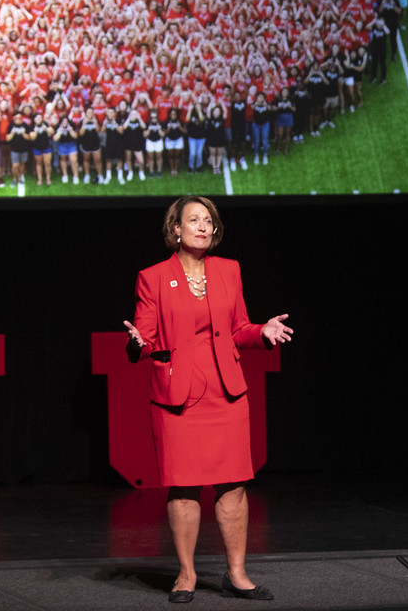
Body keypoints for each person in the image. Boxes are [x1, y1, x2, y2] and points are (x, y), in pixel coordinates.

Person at [123, 197, 292, 604]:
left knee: (233, 485)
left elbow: (239, 329)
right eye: (193, 220)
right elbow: (143, 334)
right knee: (183, 488)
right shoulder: (153, 277)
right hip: (178, 398)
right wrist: (137, 344)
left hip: (226, 393)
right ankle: (186, 575)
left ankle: (237, 574)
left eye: (209, 221)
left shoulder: (228, 270)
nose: (203, 227)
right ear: (175, 230)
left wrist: (262, 332)